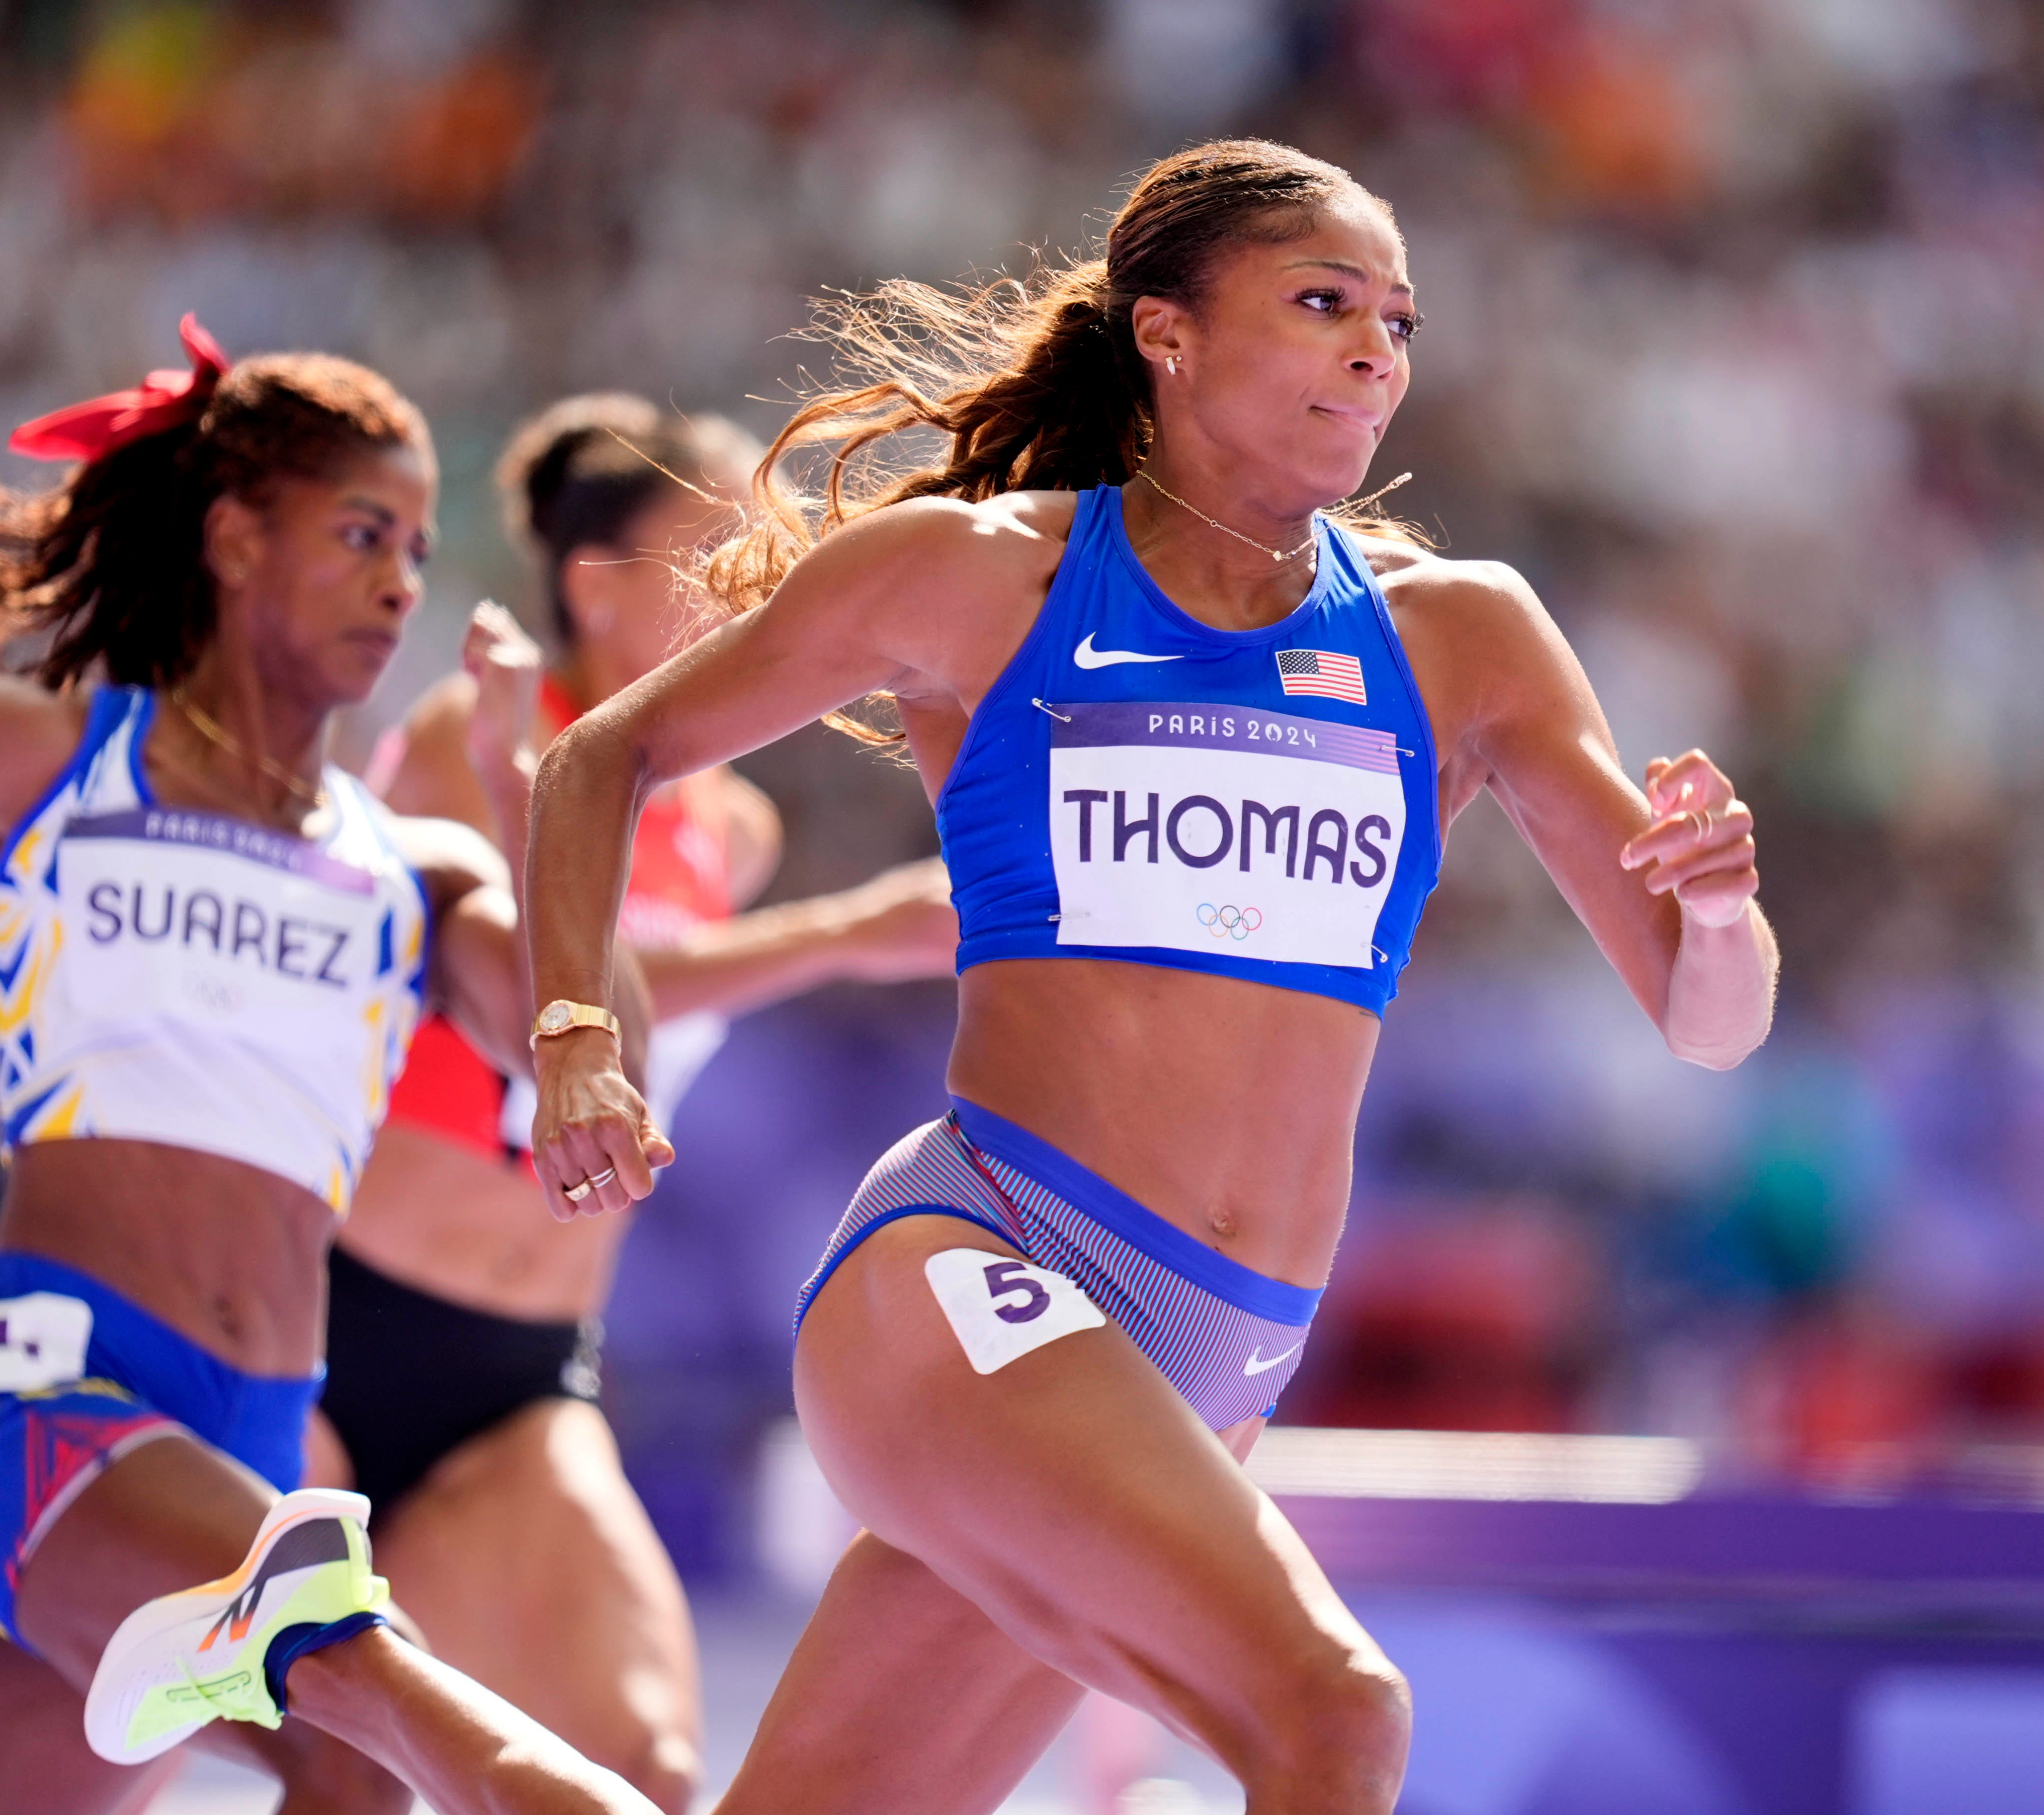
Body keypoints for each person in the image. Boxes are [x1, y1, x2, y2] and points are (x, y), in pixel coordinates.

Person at [522, 140, 1779, 1815]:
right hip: (980, 1263)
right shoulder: (988, 576)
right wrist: (576, 1035)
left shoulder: (1461, 635)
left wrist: (1720, 911)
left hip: (1216, 1361)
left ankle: (341, 1670)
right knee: (1336, 1715)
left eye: (1396, 323)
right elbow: (597, 759)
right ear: (1165, 336)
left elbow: (1708, 1025)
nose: (1374, 353)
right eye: (1322, 304)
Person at [0, 316, 663, 1815]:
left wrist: (547, 844)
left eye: (415, 541)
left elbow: (585, 1034)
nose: (404, 578)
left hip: (250, 1442)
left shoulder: (415, 870)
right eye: (359, 532)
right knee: (370, 1730)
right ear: (229, 537)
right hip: (53, 1404)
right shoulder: (40, 758)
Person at [309, 395, 957, 1814]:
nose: (756, 585)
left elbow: (646, 1000)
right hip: (323, 1315)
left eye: (766, 552)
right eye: (713, 550)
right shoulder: (461, 737)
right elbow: (554, 966)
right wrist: (851, 930)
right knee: (318, 1781)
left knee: (642, 1767)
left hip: (526, 1364)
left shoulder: (731, 823)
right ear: (595, 583)